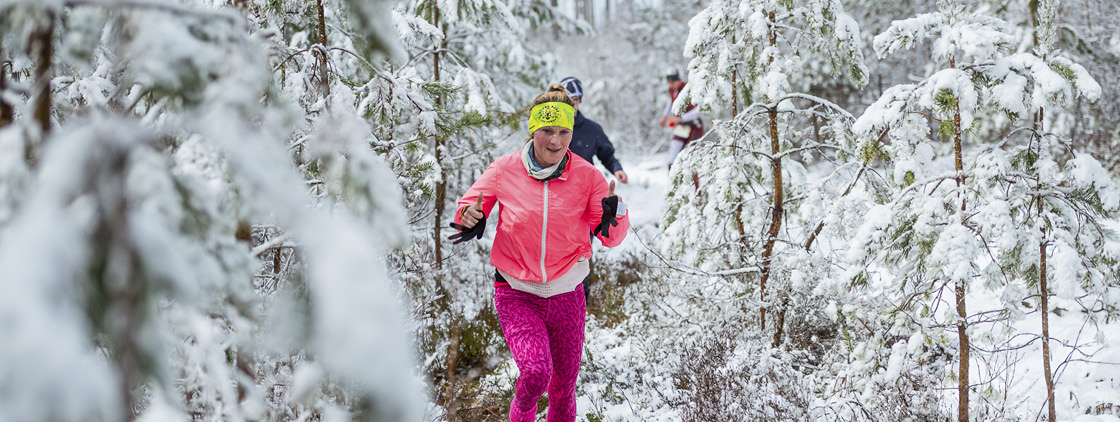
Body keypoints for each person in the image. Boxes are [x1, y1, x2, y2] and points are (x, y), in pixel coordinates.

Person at [447, 84, 630, 422]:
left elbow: (611, 238)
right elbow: (467, 208)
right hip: (516, 293)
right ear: (533, 130)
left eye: (563, 132)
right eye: (547, 131)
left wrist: (614, 215)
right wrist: (468, 218)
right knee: (535, 374)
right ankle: (524, 412)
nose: (555, 141)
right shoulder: (504, 169)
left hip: (567, 295)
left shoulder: (587, 176)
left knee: (563, 390)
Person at [559, 77, 628, 184]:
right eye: (567, 100)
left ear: (580, 100)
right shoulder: (549, 129)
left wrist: (617, 169)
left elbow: (607, 155)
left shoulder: (592, 129)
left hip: (584, 186)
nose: (571, 104)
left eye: (574, 99)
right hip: (555, 187)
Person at [658, 70, 704, 169]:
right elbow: (671, 103)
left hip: (694, 126)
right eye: (669, 83)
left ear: (679, 81)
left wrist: (681, 118)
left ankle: (693, 182)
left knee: (690, 157)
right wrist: (664, 116)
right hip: (682, 127)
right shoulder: (672, 90)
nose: (671, 85)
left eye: (673, 82)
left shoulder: (688, 90)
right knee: (673, 153)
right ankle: (672, 179)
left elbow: (699, 110)